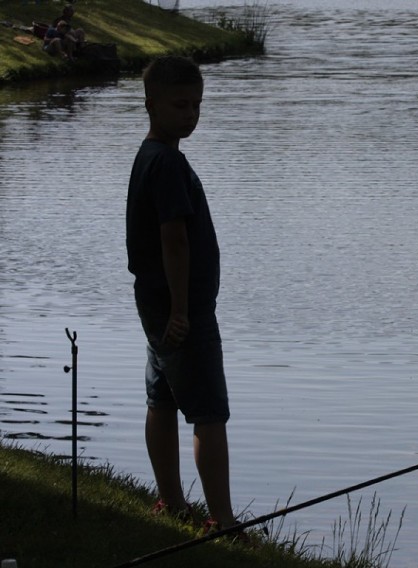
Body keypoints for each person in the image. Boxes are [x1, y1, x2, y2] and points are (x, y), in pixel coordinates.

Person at [126, 56, 239, 534]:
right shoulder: (166, 163)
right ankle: (223, 520)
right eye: (180, 105)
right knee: (208, 411)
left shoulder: (152, 155)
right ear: (151, 104)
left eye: (197, 105)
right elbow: (173, 238)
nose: (191, 114)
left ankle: (171, 501)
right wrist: (179, 310)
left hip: (157, 304)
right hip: (180, 311)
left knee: (162, 398)